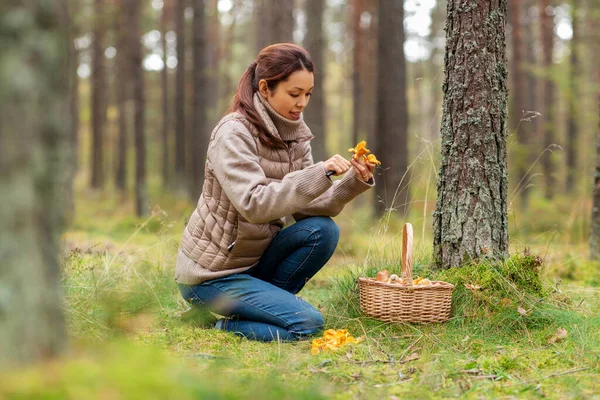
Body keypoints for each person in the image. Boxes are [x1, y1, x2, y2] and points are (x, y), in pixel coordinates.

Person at [176, 43, 376, 342]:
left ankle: (257, 306)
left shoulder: (295, 134)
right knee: (307, 324)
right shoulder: (234, 133)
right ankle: (217, 323)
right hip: (211, 277)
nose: (302, 103)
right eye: (294, 94)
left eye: (308, 94)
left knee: (322, 230)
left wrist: (351, 183)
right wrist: (319, 172)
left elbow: (309, 207)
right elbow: (254, 205)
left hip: (253, 264)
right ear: (265, 88)